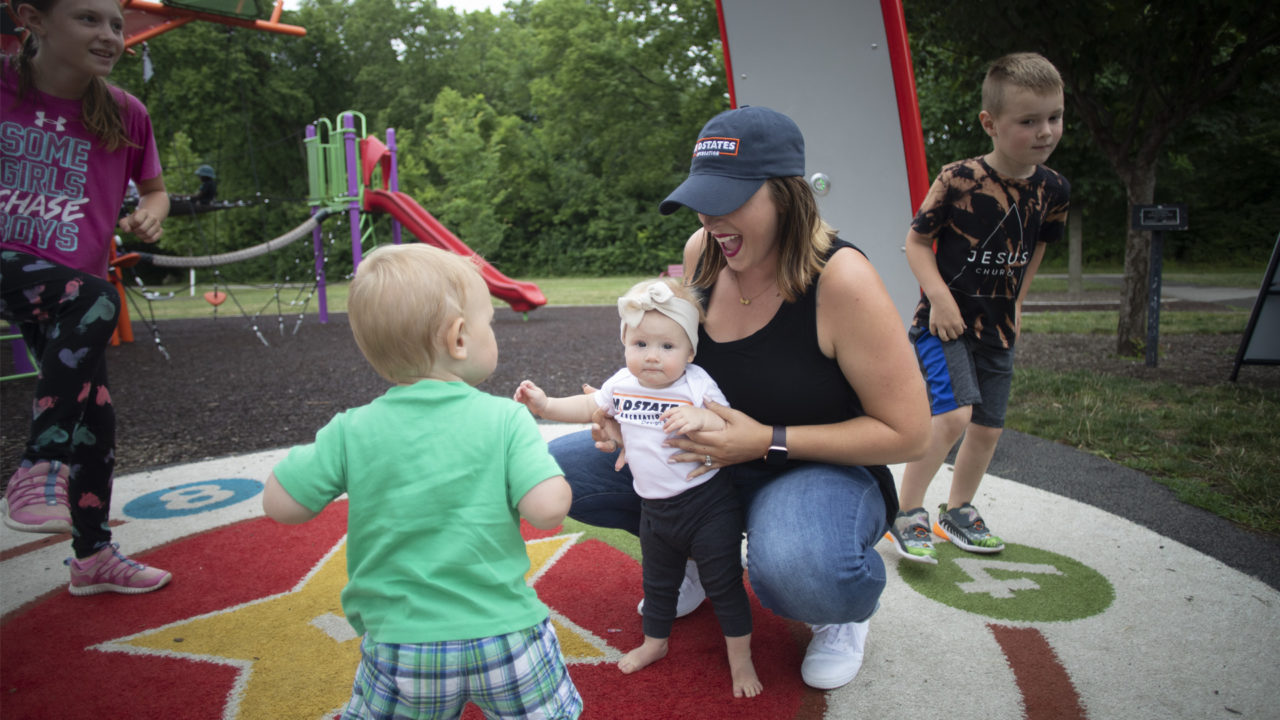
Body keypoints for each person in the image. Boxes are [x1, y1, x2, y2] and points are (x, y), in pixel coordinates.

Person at [547, 106, 931, 690]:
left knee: (800, 567)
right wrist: (626, 418)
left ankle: (841, 612)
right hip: (706, 467)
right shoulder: (704, 248)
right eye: (703, 197)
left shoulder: (841, 279)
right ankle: (698, 557)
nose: (710, 216)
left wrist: (765, 441)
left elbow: (909, 432)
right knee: (560, 471)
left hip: (812, 467)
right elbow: (671, 361)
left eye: (729, 198)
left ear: (787, 195)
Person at [262, 243, 583, 720]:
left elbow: (280, 504)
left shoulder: (352, 429)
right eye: (489, 324)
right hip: (506, 636)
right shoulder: (506, 419)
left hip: (401, 647)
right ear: (458, 339)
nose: (493, 333)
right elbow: (547, 510)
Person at [514, 277, 762, 698]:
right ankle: (654, 643)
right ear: (625, 343)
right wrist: (546, 405)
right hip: (656, 510)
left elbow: (727, 423)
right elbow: (592, 406)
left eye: (668, 347)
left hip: (707, 506)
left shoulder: (695, 383)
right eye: (641, 344)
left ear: (690, 352)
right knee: (657, 582)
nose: (652, 357)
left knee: (724, 585)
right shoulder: (622, 384)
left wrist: (703, 419)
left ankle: (741, 661)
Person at [1, 0, 172, 595]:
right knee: (98, 298)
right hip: (23, 269)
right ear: (33, 18)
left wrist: (148, 217)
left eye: (116, 24)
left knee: (95, 421)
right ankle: (39, 466)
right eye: (87, 19)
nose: (108, 35)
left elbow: (154, 191)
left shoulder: (125, 113)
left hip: (71, 291)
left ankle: (92, 555)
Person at [886, 52, 1070, 564]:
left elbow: (1036, 249)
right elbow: (916, 244)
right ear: (991, 123)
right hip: (943, 325)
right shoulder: (960, 179)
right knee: (953, 416)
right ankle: (906, 513)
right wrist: (940, 301)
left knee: (987, 428)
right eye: (1028, 121)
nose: (1045, 131)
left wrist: (1018, 305)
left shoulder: (1053, 189)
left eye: (1054, 117)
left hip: (998, 328)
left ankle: (959, 510)